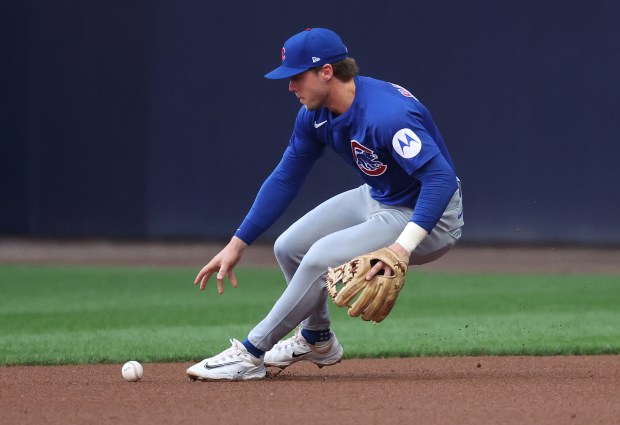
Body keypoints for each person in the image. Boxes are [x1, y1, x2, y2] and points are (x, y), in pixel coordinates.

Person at [186, 28, 464, 381]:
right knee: (289, 247)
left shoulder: (387, 115)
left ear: (326, 72)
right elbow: (285, 177)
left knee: (319, 257)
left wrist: (402, 248)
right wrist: (237, 243)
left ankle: (249, 353)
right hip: (379, 196)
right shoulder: (315, 116)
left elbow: (439, 180)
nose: (290, 87)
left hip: (430, 214)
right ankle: (316, 338)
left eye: (297, 77)